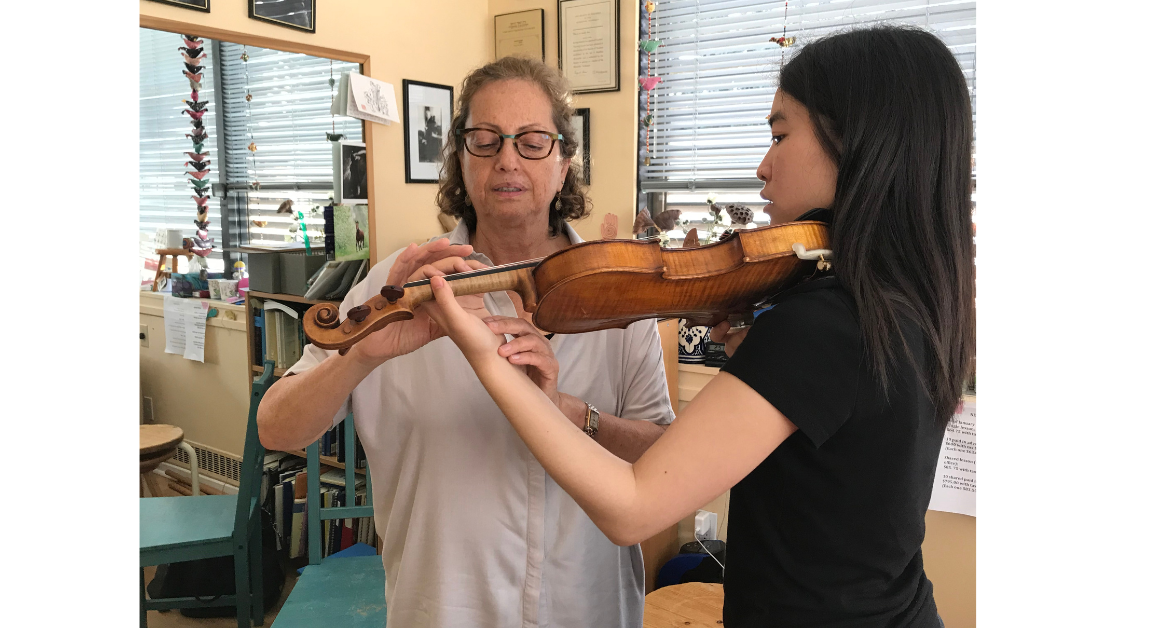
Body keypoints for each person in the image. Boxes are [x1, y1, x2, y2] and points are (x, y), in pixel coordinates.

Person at [425, 26, 973, 628]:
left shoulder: (822, 323)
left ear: (856, 142)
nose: (762, 166)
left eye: (780, 135)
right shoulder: (906, 299)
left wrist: (489, 361)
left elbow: (631, 508)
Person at [256, 55, 674, 628]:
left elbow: (661, 459)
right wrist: (362, 354)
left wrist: (569, 413)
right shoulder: (394, 287)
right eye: (485, 140)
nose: (507, 160)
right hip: (441, 611)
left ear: (564, 163)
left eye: (532, 142)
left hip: (588, 608)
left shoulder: (620, 294)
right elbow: (276, 428)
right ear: (460, 157)